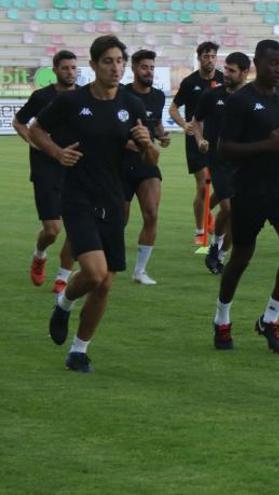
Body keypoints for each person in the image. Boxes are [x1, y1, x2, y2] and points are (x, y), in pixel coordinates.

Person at [34, 35, 158, 372]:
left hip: (113, 199)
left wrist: (148, 145)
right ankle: (64, 302)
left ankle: (78, 350)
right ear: (93, 65)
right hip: (77, 197)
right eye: (108, 61)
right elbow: (36, 129)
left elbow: (149, 157)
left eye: (119, 61)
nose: (115, 67)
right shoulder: (72, 102)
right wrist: (57, 153)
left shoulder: (131, 105)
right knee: (94, 271)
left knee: (103, 284)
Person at [211, 40, 279, 353]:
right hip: (249, 190)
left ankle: (270, 318)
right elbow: (224, 148)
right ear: (257, 64)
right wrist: (267, 145)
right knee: (240, 258)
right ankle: (222, 318)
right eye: (273, 64)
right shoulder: (240, 100)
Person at [13, 50, 78, 294]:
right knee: (52, 230)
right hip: (45, 168)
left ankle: (62, 278)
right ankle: (40, 254)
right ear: (55, 70)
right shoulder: (42, 97)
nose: (70, 72)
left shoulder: (84, 96)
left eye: (73, 68)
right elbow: (19, 122)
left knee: (76, 226)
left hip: (75, 168)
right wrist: (31, 141)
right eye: (65, 68)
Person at [193, 52, 251, 274]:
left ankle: (220, 253)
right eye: (225, 69)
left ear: (245, 72)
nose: (225, 73)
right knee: (228, 207)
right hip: (219, 161)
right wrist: (200, 139)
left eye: (231, 70)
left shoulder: (252, 97)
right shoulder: (211, 95)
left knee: (238, 215)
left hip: (245, 164)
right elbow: (196, 122)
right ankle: (215, 244)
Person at [122, 49, 171, 286]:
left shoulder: (159, 96)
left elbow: (157, 122)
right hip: (119, 164)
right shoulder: (121, 94)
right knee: (118, 219)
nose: (148, 71)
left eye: (151, 67)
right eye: (144, 67)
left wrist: (162, 136)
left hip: (147, 161)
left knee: (151, 214)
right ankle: (106, 260)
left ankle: (140, 271)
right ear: (133, 69)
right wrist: (127, 142)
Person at [170, 41, 223, 244]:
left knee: (221, 185)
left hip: (218, 139)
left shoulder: (222, 79)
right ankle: (200, 232)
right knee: (203, 186)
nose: (210, 60)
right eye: (206, 56)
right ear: (199, 57)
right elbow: (173, 109)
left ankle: (205, 211)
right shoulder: (190, 82)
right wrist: (185, 125)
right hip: (195, 140)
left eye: (213, 56)